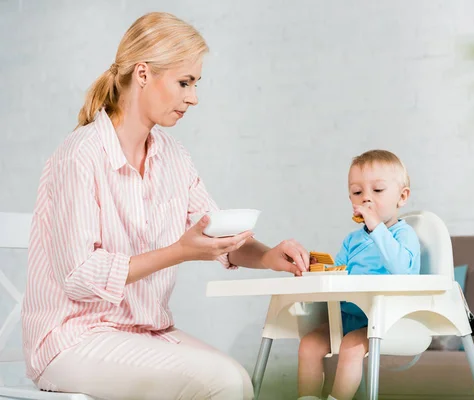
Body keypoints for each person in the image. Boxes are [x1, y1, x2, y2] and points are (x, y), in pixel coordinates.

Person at [21, 12, 310, 400]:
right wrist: (178, 253)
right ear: (143, 74)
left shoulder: (173, 157)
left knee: (237, 381)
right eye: (184, 82)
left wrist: (270, 256)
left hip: (145, 332)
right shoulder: (80, 156)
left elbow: (213, 232)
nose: (193, 97)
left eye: (195, 83)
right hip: (72, 339)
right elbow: (80, 276)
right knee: (221, 383)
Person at [297, 150, 421, 400]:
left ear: (402, 196)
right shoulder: (352, 240)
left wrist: (376, 228)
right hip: (347, 317)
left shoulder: (403, 235)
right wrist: (316, 269)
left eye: (377, 191)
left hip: (385, 320)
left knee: (351, 347)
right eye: (357, 192)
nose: (366, 199)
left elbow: (402, 270)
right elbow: (339, 273)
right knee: (309, 344)